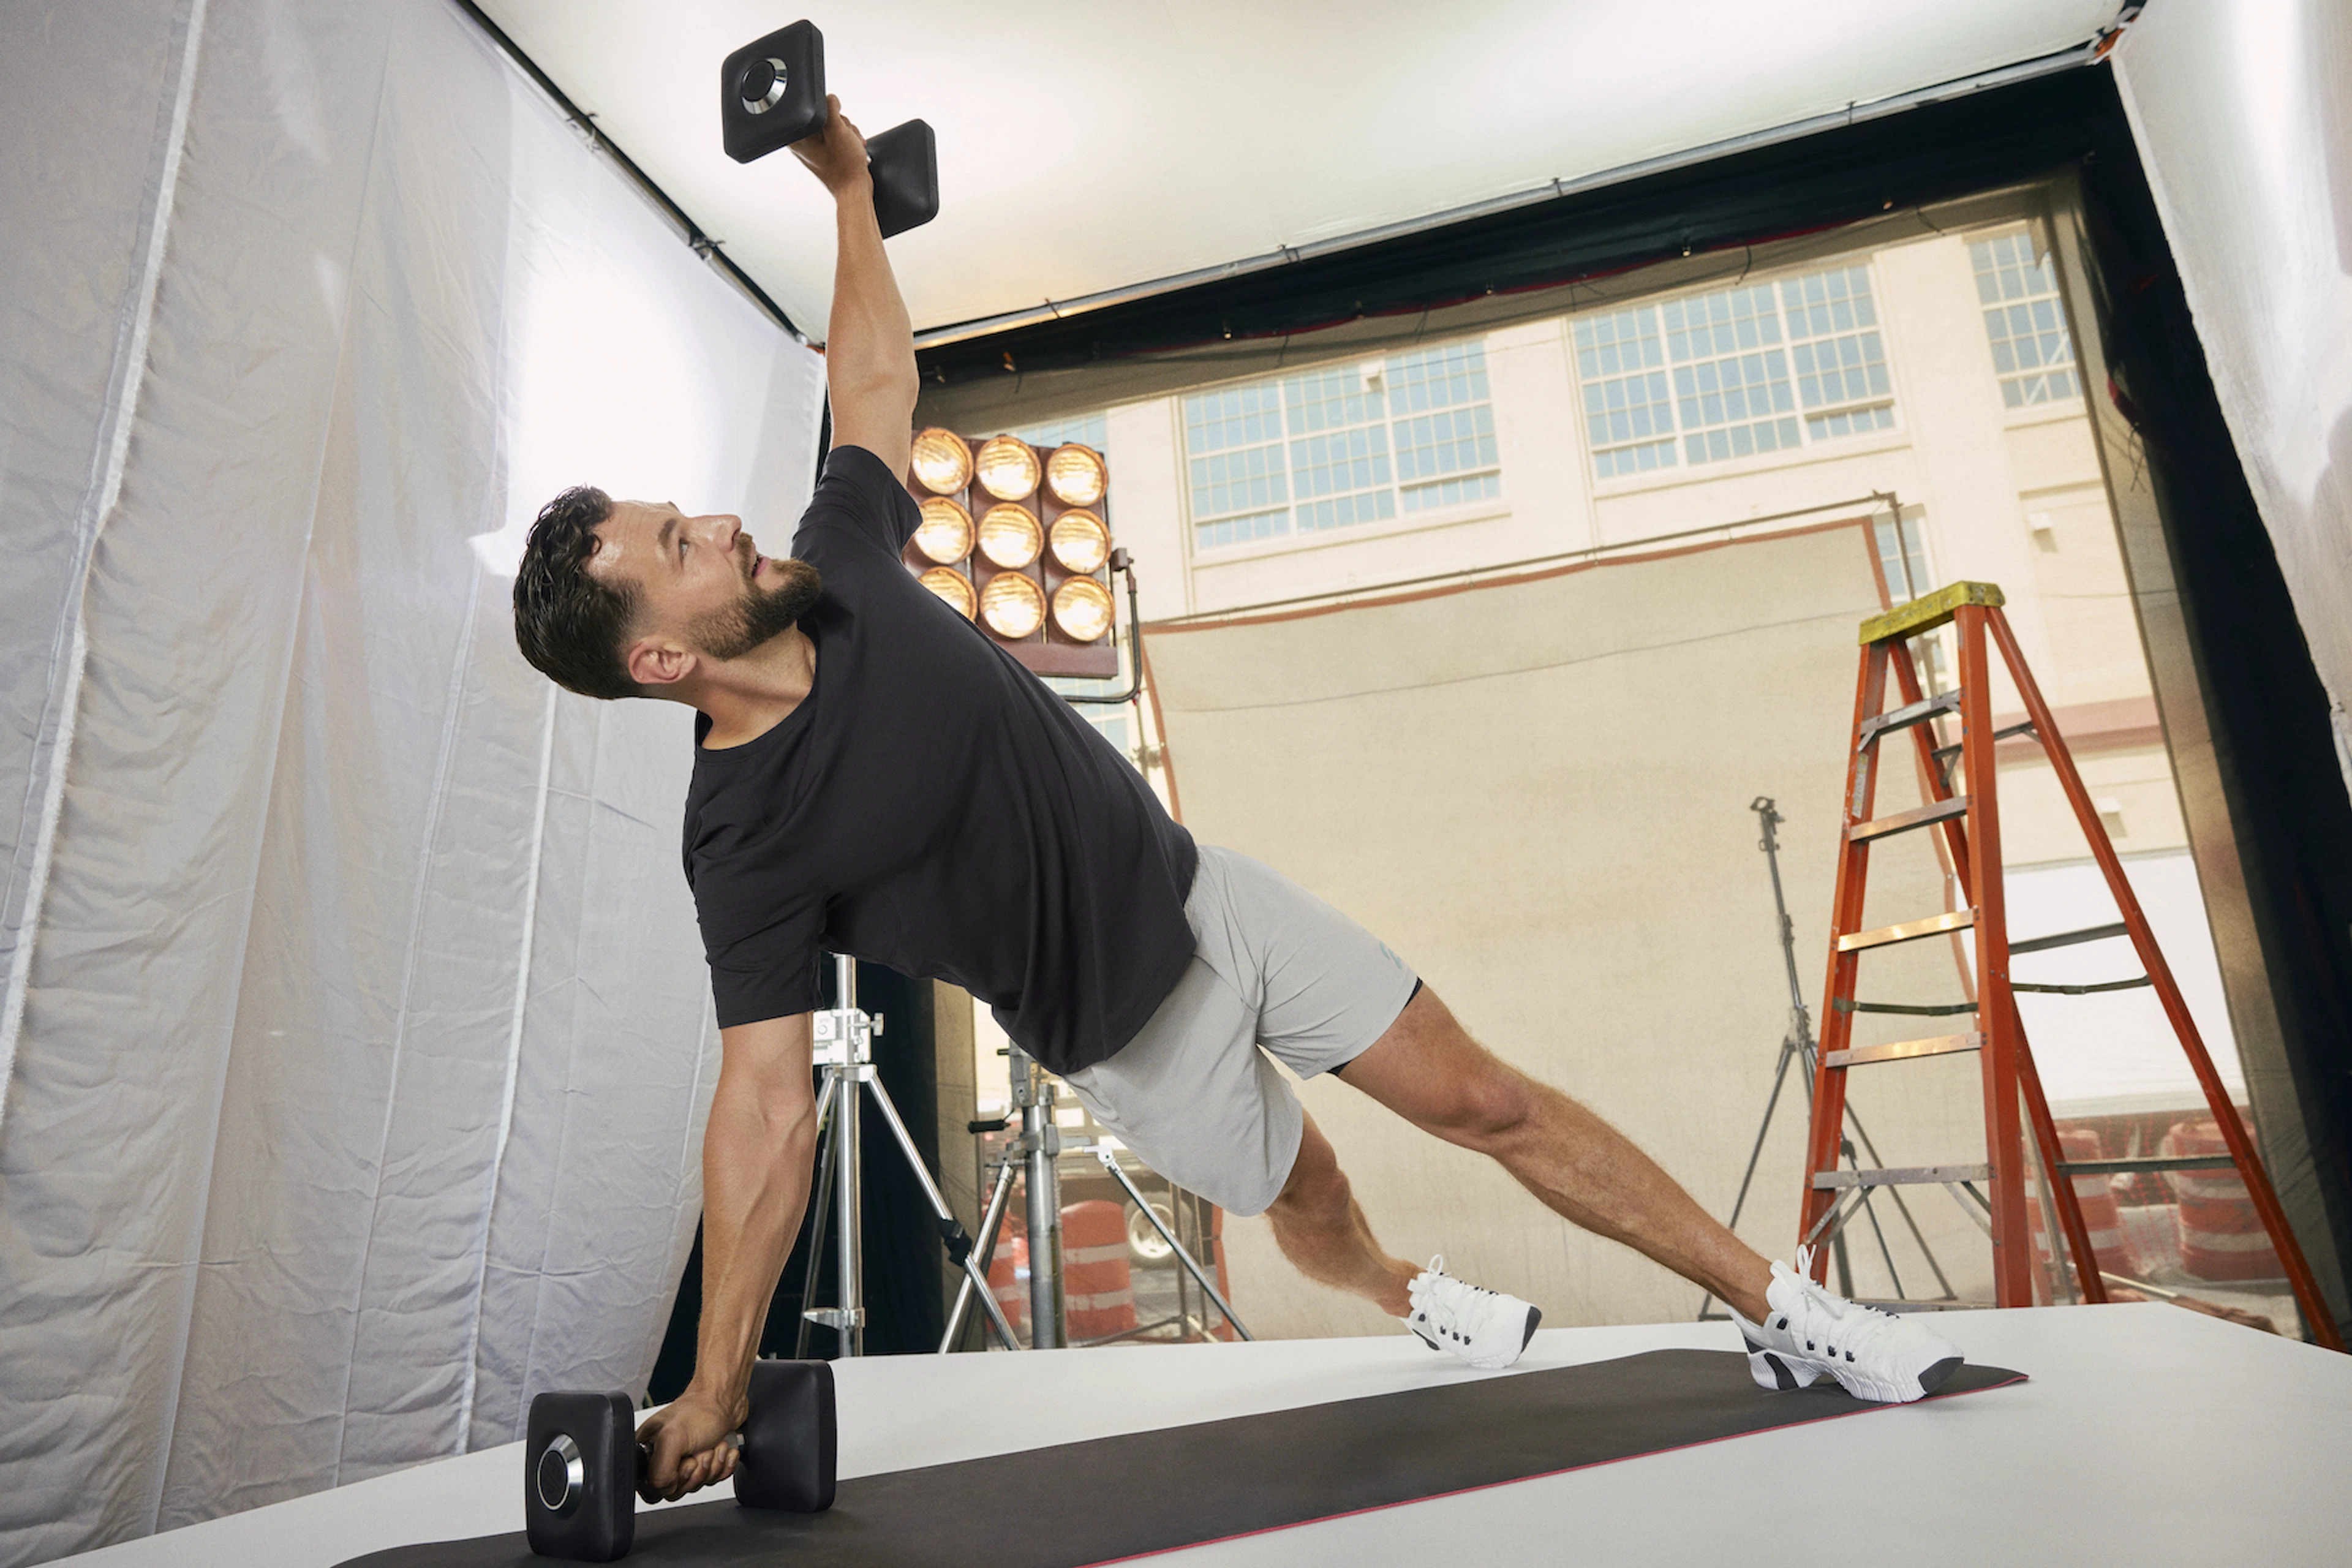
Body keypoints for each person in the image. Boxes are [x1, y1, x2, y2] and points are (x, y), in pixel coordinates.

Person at [510, 97, 1964, 1505]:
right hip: (1128, 1042)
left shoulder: (842, 564)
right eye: (678, 543)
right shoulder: (740, 842)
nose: (719, 523)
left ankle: (1782, 1304)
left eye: (685, 510)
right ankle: (1409, 1292)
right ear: (655, 655)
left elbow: (877, 385)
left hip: (1213, 894)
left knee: (1485, 1096)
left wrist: (845, 196)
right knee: (1312, 1194)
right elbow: (763, 1105)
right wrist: (712, 1386)